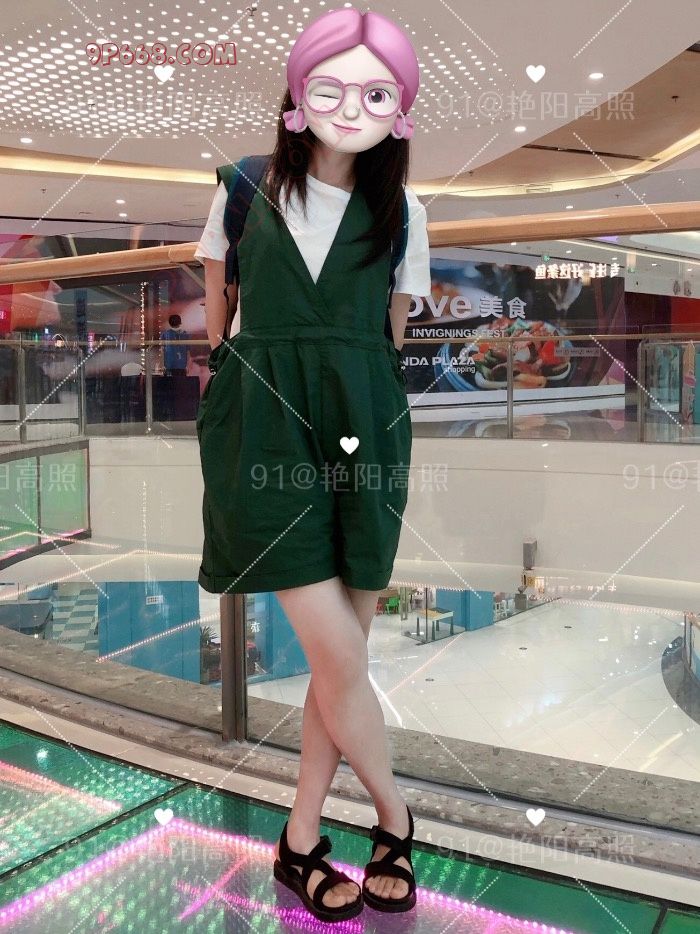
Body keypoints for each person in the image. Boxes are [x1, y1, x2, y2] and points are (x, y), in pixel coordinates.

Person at [195, 6, 430, 922]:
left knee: (342, 662)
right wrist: (228, 373)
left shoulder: (405, 210)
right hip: (264, 426)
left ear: (398, 108)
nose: (351, 107)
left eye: (376, 93)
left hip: (364, 426)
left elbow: (390, 338)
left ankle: (299, 844)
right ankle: (396, 818)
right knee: (338, 652)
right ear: (299, 92)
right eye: (332, 87)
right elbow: (218, 296)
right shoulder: (244, 188)